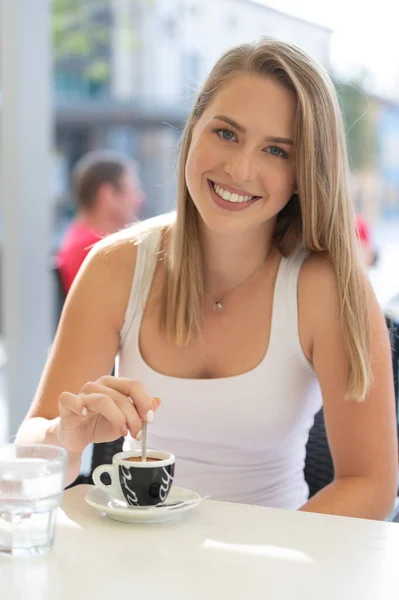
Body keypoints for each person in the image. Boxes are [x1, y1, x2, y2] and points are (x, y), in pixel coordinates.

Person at [17, 39, 398, 519]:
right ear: (194, 127)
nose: (239, 169)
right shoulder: (115, 267)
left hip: (275, 571)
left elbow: (371, 485)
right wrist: (61, 436)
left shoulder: (327, 286)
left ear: (303, 172)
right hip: (132, 563)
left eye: (277, 150)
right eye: (227, 134)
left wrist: (248, 571)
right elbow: (31, 452)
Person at [56, 150, 143, 293]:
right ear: (107, 195)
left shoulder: (80, 240)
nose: (139, 199)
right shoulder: (97, 250)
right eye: (133, 190)